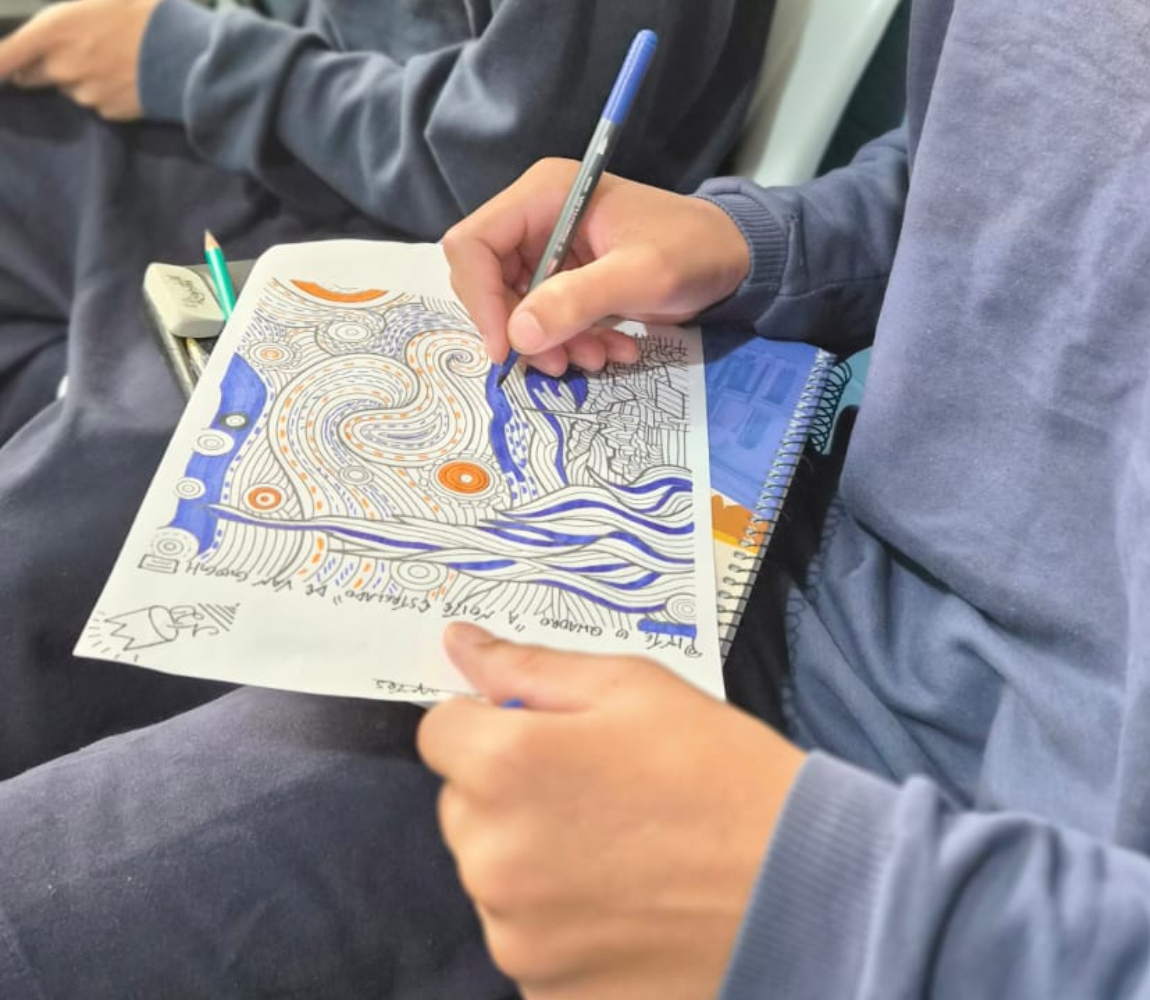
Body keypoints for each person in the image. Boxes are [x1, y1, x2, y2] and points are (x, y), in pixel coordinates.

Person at [413, 0, 1150, 997]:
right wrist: (751, 241)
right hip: (807, 592)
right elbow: (978, 170)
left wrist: (853, 910)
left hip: (983, 910)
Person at [0, 0, 773, 778]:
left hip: (391, 201)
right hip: (279, 108)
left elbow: (500, 158)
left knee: (29, 566)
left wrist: (199, 60)